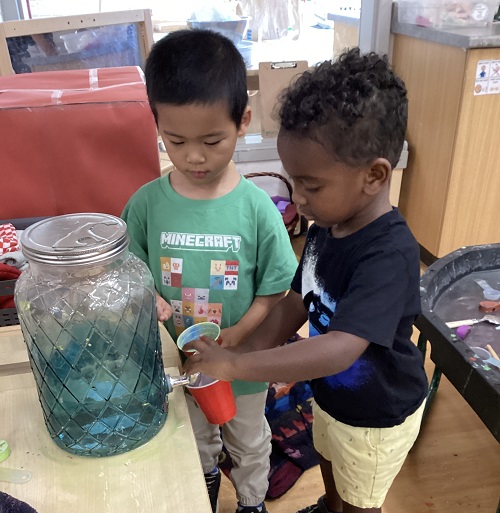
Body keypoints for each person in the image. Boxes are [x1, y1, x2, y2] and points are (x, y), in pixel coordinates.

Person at [184, 47, 429, 513]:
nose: (298, 197)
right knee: (332, 466)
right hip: (333, 400)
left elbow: (339, 348)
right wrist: (248, 349)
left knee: (360, 497)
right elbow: (298, 299)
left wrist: (237, 368)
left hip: (377, 417)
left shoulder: (390, 254)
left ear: (374, 176)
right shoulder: (326, 227)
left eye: (311, 185)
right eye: (292, 181)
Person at [121, 29, 298, 513]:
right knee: (193, 442)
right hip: (178, 369)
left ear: (242, 121)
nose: (194, 156)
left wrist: (236, 339)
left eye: (212, 140)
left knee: (249, 442)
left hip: (240, 365)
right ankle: (202, 494)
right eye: (175, 140)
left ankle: (251, 502)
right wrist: (145, 295)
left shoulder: (258, 210)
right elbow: (127, 269)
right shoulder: (146, 205)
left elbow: (275, 290)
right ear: (156, 122)